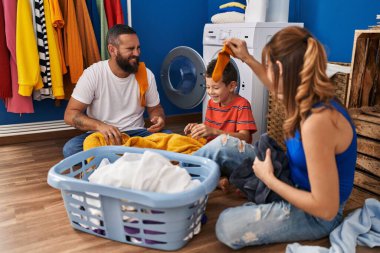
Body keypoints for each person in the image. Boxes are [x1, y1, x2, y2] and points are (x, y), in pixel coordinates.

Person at [201, 26, 357, 249]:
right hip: (291, 177)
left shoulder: (318, 122)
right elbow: (271, 80)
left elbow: (326, 208)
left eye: (269, 67)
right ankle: (175, 182)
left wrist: (269, 179)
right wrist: (246, 58)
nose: (269, 75)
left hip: (316, 214)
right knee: (220, 146)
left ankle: (263, 200)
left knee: (226, 225)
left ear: (281, 69)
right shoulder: (301, 92)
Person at [63, 24, 167, 158]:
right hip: (101, 135)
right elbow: (70, 115)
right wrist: (100, 126)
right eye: (130, 49)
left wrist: (158, 118)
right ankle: (133, 158)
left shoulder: (146, 74)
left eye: (138, 48)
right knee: (71, 149)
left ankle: (117, 159)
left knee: (172, 139)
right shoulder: (93, 74)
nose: (136, 53)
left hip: (137, 134)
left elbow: (155, 108)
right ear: (112, 50)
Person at [184, 59, 257, 144]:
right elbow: (209, 133)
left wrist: (215, 132)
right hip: (212, 147)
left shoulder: (242, 105)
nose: (210, 92)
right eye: (207, 87)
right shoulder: (211, 103)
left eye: (216, 88)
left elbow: (245, 137)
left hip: (233, 151)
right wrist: (198, 129)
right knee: (177, 140)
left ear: (231, 86)